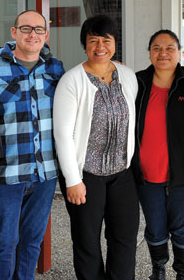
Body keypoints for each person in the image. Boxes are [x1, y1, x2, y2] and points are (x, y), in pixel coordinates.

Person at [0, 10, 64, 280]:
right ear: (14, 33)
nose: (32, 35)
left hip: (44, 173)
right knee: (4, 242)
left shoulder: (55, 68)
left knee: (31, 242)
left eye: (39, 30)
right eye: (26, 29)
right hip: (5, 173)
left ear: (46, 35)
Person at [53, 15, 139, 280]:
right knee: (87, 243)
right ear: (85, 44)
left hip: (122, 175)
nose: (100, 46)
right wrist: (73, 180)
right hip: (86, 176)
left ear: (115, 43)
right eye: (93, 40)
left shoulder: (127, 75)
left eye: (106, 40)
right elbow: (63, 134)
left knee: (124, 240)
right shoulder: (72, 80)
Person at [132, 29, 184, 280]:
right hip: (146, 174)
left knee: (182, 227)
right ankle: (158, 271)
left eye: (169, 48)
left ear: (179, 51)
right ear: (150, 52)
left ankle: (183, 273)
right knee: (154, 226)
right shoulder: (138, 81)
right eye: (157, 48)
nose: (163, 53)